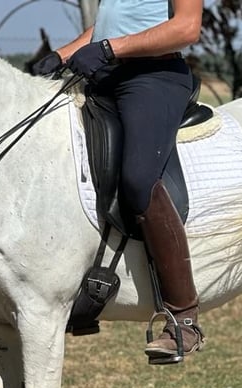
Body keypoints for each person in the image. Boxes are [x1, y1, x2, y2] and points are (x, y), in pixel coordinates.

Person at [33, 0, 205, 364]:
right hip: (108, 76)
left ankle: (184, 318)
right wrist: (61, 55)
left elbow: (186, 28)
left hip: (154, 78)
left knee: (138, 179)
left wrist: (110, 49)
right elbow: (108, 26)